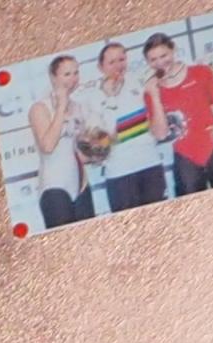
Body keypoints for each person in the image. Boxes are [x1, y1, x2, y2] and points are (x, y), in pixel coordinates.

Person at [147, 32, 213, 195]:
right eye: (153, 59)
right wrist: (154, 95)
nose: (160, 62)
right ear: (148, 62)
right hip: (185, 155)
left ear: (173, 50)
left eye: (163, 56)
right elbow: (160, 134)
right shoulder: (151, 91)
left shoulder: (202, 72)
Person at [90, 40, 172, 213]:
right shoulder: (93, 99)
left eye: (122, 59)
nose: (118, 66)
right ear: (100, 67)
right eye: (111, 62)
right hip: (119, 173)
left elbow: (160, 131)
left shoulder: (140, 81)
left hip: (150, 164)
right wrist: (111, 100)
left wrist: (154, 94)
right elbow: (100, 144)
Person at [27, 52, 96, 229]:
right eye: (67, 74)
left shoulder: (79, 107)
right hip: (54, 187)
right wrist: (61, 108)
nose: (73, 79)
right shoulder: (39, 108)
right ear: (53, 77)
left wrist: (97, 150)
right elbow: (48, 146)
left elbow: (82, 152)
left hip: (82, 187)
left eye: (76, 73)